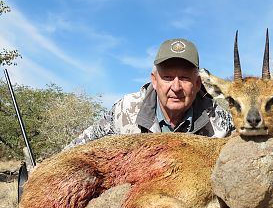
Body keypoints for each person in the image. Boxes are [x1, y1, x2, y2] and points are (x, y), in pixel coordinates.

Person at [65, 38, 234, 149]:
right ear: (154, 80)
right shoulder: (125, 110)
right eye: (167, 77)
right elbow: (77, 148)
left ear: (198, 83)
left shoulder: (220, 121)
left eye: (184, 78)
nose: (176, 87)